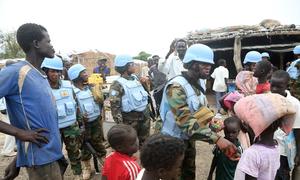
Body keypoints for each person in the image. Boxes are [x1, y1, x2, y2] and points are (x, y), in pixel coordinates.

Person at [160, 44, 240, 179]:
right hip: (171, 142)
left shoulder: (199, 83)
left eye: (209, 63)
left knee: (189, 175)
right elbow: (185, 123)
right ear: (191, 64)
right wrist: (218, 139)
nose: (208, 67)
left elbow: (201, 109)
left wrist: (211, 121)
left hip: (188, 139)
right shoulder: (176, 87)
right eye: (204, 63)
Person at [0, 23, 63, 180]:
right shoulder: (16, 72)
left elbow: (33, 120)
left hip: (52, 154)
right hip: (41, 160)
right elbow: (25, 130)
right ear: (36, 43)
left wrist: (17, 160)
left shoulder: (40, 75)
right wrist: (19, 133)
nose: (52, 45)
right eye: (48, 41)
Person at [234, 93, 296, 180]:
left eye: (248, 122)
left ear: (255, 125)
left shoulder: (251, 154)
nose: (246, 125)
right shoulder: (276, 147)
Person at [41, 56, 83, 179]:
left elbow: (76, 106)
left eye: (58, 71)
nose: (56, 74)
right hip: (53, 129)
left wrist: (80, 124)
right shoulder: (41, 88)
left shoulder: (68, 86)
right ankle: (58, 176)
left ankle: (78, 175)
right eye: (52, 71)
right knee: (54, 155)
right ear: (46, 72)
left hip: (71, 126)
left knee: (75, 153)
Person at [68, 64, 107, 180]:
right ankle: (87, 168)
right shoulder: (71, 91)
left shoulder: (91, 87)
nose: (86, 74)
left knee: (98, 142)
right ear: (76, 76)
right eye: (83, 73)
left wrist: (98, 92)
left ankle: (104, 164)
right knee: (84, 145)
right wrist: (79, 117)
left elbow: (101, 102)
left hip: (95, 121)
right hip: (82, 124)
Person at [109, 54, 151, 146]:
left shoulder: (136, 79)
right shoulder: (117, 84)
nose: (134, 66)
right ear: (126, 67)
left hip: (144, 118)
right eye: (132, 64)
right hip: (130, 121)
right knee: (131, 145)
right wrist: (121, 126)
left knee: (145, 143)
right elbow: (115, 108)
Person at [271, 70, 300, 180]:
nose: (274, 90)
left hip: (284, 150)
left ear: (287, 86)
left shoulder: (295, 104)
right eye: (272, 85)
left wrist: (298, 153)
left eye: (278, 87)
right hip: (269, 146)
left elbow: (298, 130)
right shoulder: (268, 99)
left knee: (282, 175)